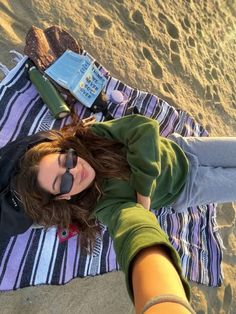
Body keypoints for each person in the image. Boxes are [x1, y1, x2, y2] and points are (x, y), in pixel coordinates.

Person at [11, 113, 236, 313]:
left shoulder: (91, 138)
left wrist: (143, 190)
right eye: (64, 181)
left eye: (67, 160)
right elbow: (132, 225)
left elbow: (142, 127)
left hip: (182, 149)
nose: (75, 170)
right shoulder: (101, 205)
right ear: (62, 197)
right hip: (187, 188)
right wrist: (163, 300)